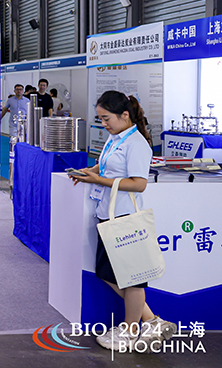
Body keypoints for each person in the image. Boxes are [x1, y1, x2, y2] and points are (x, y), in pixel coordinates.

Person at [68, 91, 174, 353]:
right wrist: (90, 172)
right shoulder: (115, 138)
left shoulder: (137, 143)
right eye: (101, 119)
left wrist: (99, 180)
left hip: (126, 216)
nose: (103, 124)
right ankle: (152, 321)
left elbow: (138, 183)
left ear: (124, 115)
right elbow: (107, 167)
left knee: (132, 279)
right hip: (108, 214)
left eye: (107, 118)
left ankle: (129, 330)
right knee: (109, 274)